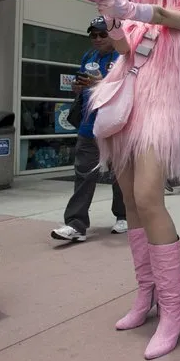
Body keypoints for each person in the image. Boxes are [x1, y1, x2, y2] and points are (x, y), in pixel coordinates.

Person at [90, 0, 180, 360]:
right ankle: (147, 297)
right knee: (131, 201)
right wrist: (111, 18)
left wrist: (129, 9)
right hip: (124, 112)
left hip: (159, 117)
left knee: (148, 197)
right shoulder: (138, 22)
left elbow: (168, 16)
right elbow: (123, 49)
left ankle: (174, 309)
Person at [51, 18, 126, 243]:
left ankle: (124, 215)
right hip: (88, 125)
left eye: (102, 34)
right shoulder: (88, 57)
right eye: (93, 35)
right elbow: (83, 86)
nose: (97, 39)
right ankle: (76, 224)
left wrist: (101, 83)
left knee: (120, 175)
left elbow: (128, 89)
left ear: (113, 35)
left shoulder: (124, 57)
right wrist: (78, 86)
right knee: (83, 174)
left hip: (115, 126)